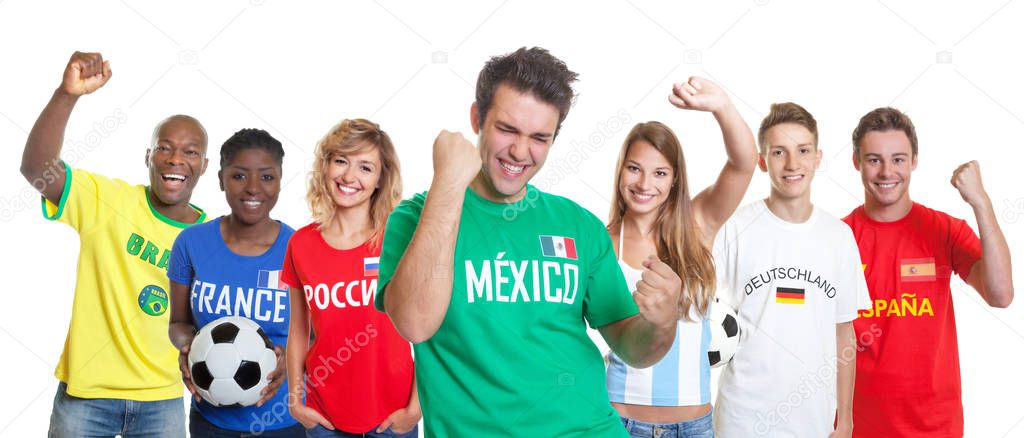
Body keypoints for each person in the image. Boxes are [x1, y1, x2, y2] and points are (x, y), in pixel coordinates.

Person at [376, 46, 682, 437]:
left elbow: (633, 348)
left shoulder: (579, 225)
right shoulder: (417, 217)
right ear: (476, 118)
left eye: (539, 137)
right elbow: (415, 323)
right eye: (507, 130)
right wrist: (448, 183)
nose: (521, 152)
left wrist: (662, 324)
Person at [23, 51, 209, 437]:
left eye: (190, 151)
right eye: (164, 147)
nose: (176, 159)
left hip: (163, 400)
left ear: (204, 165)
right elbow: (36, 169)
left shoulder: (209, 239)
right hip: (86, 398)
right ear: (148, 157)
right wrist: (66, 94)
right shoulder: (106, 201)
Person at [843, 107, 1014, 437]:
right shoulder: (837, 238)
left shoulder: (945, 230)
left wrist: (981, 202)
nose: (886, 171)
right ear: (856, 162)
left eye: (898, 159)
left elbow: (1001, 294)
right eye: (874, 159)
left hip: (936, 428)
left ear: (914, 161)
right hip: (857, 429)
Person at [604, 77, 756, 438]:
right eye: (634, 168)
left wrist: (721, 106)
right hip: (621, 423)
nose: (645, 184)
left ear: (674, 180)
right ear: (621, 170)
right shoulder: (602, 243)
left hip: (694, 426)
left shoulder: (697, 225)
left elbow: (744, 164)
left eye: (660, 173)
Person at [712, 102, 871, 437]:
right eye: (779, 152)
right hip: (741, 419)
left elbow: (845, 334)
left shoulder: (838, 237)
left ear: (818, 158)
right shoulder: (735, 228)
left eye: (803, 151)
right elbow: (700, 311)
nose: (792, 164)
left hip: (812, 422)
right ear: (762, 161)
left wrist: (846, 421)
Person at [283, 119, 419, 437]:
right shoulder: (300, 244)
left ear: (380, 180)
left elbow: (429, 328)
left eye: (365, 167)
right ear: (326, 166)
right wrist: (295, 401)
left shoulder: (399, 239)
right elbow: (298, 330)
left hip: (392, 418)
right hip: (323, 417)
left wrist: (416, 407)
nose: (349, 176)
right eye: (341, 161)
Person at [167, 128, 302, 437]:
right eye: (239, 176)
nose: (253, 188)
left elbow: (317, 335)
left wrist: (288, 360)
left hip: (284, 420)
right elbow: (177, 322)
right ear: (220, 179)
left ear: (280, 180)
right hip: (211, 420)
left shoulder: (300, 249)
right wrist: (189, 347)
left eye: (267, 177)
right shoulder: (191, 243)